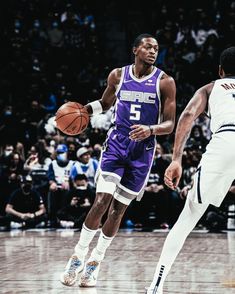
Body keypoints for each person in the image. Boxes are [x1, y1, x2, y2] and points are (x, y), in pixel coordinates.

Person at [60, 33, 176, 287]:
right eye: (148, 46)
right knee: (101, 200)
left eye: (156, 48)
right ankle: (78, 256)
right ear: (135, 49)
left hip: (142, 151)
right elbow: (105, 102)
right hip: (116, 145)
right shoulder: (118, 75)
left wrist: (151, 129)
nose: (153, 51)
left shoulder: (165, 82)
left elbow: (170, 123)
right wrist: (83, 111)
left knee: (118, 210)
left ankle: (95, 263)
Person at [146, 46, 235, 294]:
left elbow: (186, 116)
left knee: (188, 218)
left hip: (226, 140)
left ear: (220, 71)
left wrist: (176, 159)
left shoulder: (210, 88)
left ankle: (156, 285)